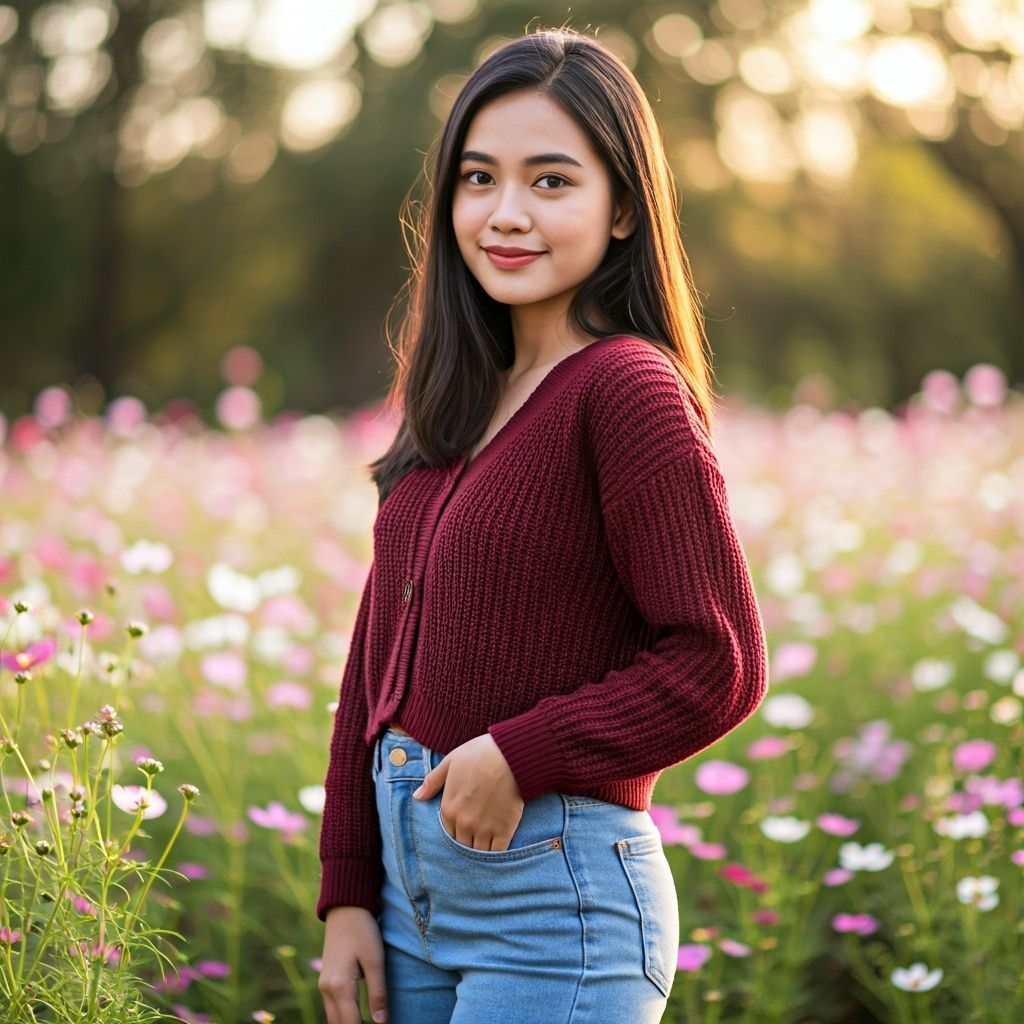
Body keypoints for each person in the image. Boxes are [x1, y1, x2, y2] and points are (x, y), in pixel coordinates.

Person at [316, 27, 768, 1024]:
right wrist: (349, 887)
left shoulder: (626, 390)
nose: (505, 213)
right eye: (479, 178)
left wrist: (523, 750)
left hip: (555, 910)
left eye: (551, 182)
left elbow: (718, 657)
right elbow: (373, 663)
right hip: (408, 906)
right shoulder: (457, 401)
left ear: (620, 212)